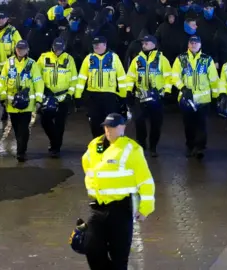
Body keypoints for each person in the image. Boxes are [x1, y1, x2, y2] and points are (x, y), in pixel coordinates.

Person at [82, 113, 155, 270]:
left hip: (120, 210)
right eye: (106, 127)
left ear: (123, 127)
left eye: (113, 127)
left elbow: (146, 181)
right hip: (98, 207)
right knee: (91, 247)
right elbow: (86, 162)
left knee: (119, 258)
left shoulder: (132, 150)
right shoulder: (95, 144)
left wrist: (146, 208)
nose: (109, 131)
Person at [172, 36, 221, 159]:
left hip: (203, 100)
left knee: (202, 125)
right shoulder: (181, 58)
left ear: (200, 45)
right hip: (186, 99)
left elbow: (214, 79)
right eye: (191, 43)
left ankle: (200, 148)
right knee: (188, 125)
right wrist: (182, 88)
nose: (193, 45)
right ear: (188, 45)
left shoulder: (207, 59)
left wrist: (216, 96)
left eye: (196, 43)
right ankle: (190, 146)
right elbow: (175, 76)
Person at [126, 35, 172, 157]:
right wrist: (128, 90)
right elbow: (131, 76)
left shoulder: (162, 59)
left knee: (156, 124)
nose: (144, 45)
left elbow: (168, 77)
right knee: (139, 121)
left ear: (154, 44)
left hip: (157, 97)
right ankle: (141, 144)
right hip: (140, 96)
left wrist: (167, 91)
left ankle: (153, 147)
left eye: (147, 43)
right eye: (143, 43)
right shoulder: (137, 59)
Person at [75, 36, 128, 138]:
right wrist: (78, 95)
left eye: (98, 44)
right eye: (94, 45)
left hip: (109, 96)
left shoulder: (114, 58)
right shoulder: (89, 58)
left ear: (105, 45)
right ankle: (98, 145)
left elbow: (121, 77)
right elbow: (81, 78)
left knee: (110, 123)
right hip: (93, 96)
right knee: (95, 123)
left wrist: (123, 95)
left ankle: (109, 145)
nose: (96, 47)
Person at [0, 40, 44, 162]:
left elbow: (38, 82)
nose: (20, 51)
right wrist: (3, 97)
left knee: (24, 129)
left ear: (27, 50)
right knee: (16, 128)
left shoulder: (32, 64)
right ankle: (21, 148)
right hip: (12, 104)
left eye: (23, 49)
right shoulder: (8, 63)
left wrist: (39, 99)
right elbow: (2, 81)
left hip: (27, 104)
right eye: (18, 48)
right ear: (15, 49)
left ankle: (21, 151)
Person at [37, 38, 78, 158]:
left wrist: (70, 94)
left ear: (63, 47)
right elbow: (37, 75)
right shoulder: (44, 58)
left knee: (60, 124)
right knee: (45, 122)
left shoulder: (69, 59)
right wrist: (43, 90)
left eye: (59, 49)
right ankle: (54, 141)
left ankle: (56, 147)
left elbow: (74, 79)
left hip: (63, 97)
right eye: (56, 48)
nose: (57, 51)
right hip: (47, 96)